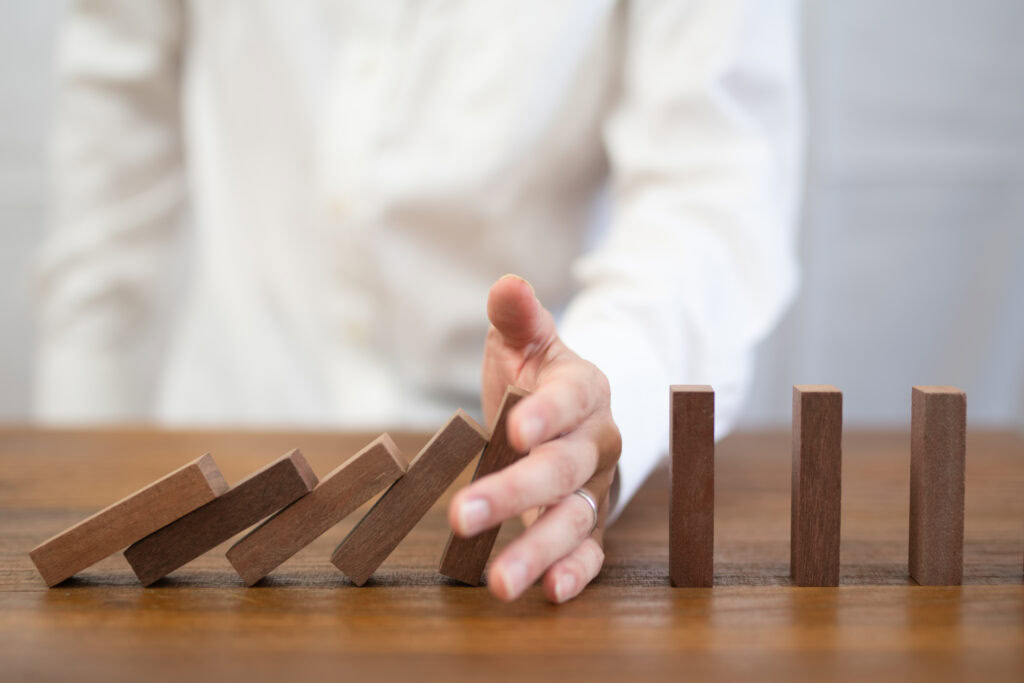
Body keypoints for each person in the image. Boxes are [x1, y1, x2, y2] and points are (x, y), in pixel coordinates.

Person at [35, 1, 802, 603]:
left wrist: (604, 393)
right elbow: (108, 176)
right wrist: (73, 484)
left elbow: (714, 187)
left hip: (512, 474)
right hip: (230, 428)